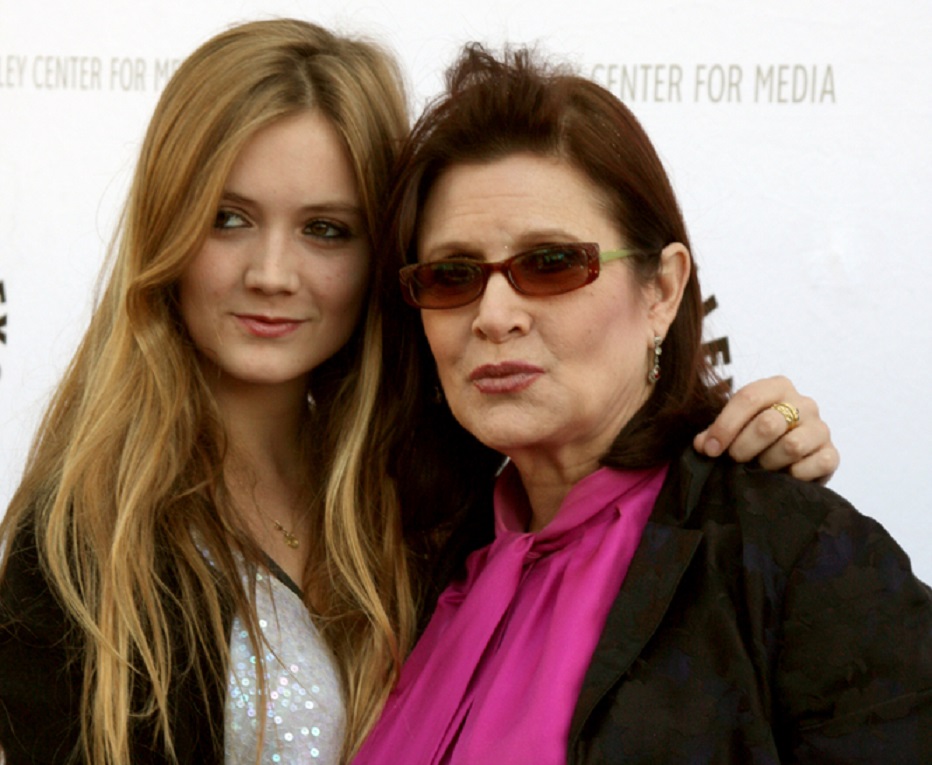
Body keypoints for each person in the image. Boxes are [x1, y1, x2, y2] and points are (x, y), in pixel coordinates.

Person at [0, 18, 841, 765]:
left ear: (382, 256)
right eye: (228, 217)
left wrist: (765, 432)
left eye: (326, 229)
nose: (271, 273)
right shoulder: (82, 547)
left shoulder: (441, 496)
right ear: (167, 229)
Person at [354, 44, 932, 763]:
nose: (493, 313)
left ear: (661, 290)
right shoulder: (410, 566)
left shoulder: (790, 554)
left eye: (551, 263)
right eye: (452, 274)